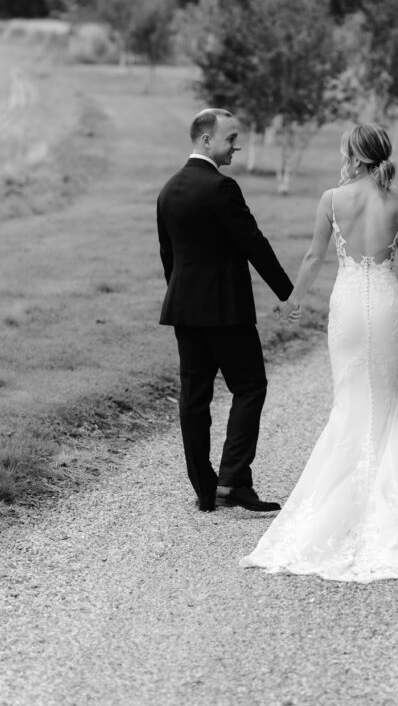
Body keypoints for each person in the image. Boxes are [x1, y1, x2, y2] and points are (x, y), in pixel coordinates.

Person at [241, 124, 398, 581]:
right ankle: (377, 503)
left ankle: (342, 500)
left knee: (348, 400)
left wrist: (292, 300)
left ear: (354, 154)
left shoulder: (332, 199)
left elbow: (314, 258)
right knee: (384, 400)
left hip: (349, 304)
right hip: (387, 305)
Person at [157, 108, 294, 513]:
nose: (237, 146)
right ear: (206, 140)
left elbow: (168, 256)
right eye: (231, 138)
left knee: (194, 398)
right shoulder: (222, 188)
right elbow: (253, 243)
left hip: (184, 310)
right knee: (250, 386)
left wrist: (182, 297)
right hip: (226, 311)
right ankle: (233, 481)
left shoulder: (168, 189)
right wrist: (287, 293)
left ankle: (205, 489)